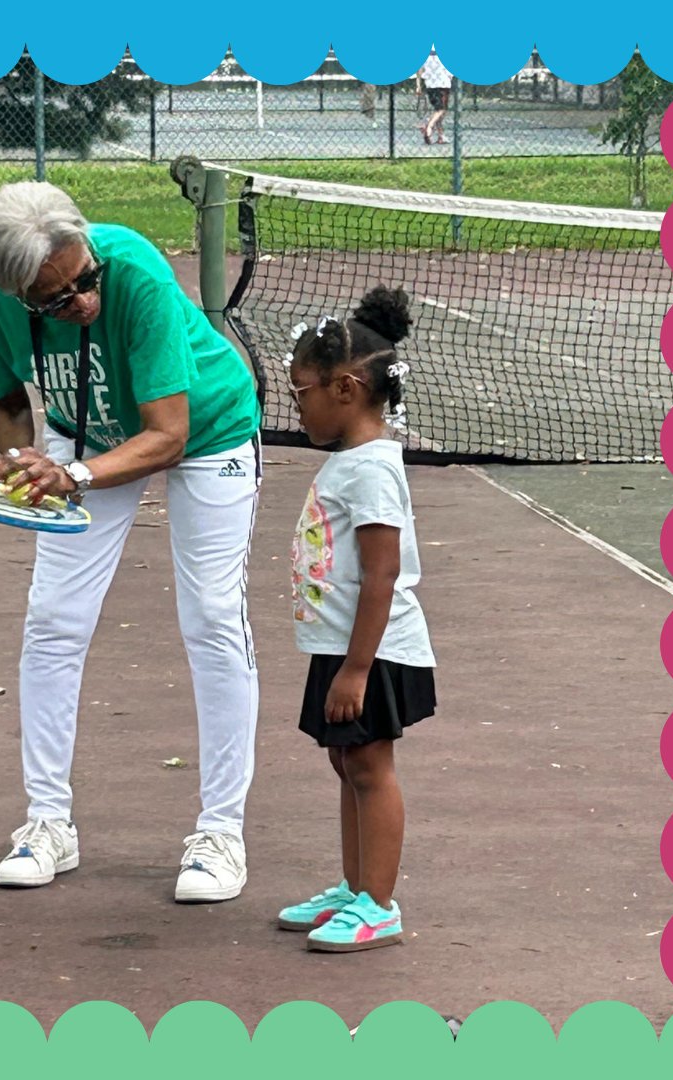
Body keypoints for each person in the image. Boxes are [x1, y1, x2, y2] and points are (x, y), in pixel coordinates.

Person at [0, 181, 262, 903]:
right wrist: (21, 461)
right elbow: (3, 397)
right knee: (54, 621)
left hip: (204, 430)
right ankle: (47, 824)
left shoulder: (136, 272)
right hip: (83, 435)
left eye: (85, 280)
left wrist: (70, 475)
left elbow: (167, 434)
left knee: (213, 620)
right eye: (58, 301)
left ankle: (222, 833)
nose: (83, 302)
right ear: (12, 290)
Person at [275, 286, 436, 952]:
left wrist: (358, 669)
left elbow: (382, 574)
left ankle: (379, 903)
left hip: (375, 653)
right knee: (349, 764)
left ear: (344, 389)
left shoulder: (371, 471)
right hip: (342, 647)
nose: (297, 403)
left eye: (301, 391)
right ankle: (354, 887)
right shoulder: (351, 463)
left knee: (370, 768)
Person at [416, 46, 453, 145]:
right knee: (441, 110)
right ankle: (429, 126)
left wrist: (418, 85)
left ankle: (441, 136)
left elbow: (420, 69)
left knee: (438, 111)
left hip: (430, 85)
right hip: (443, 84)